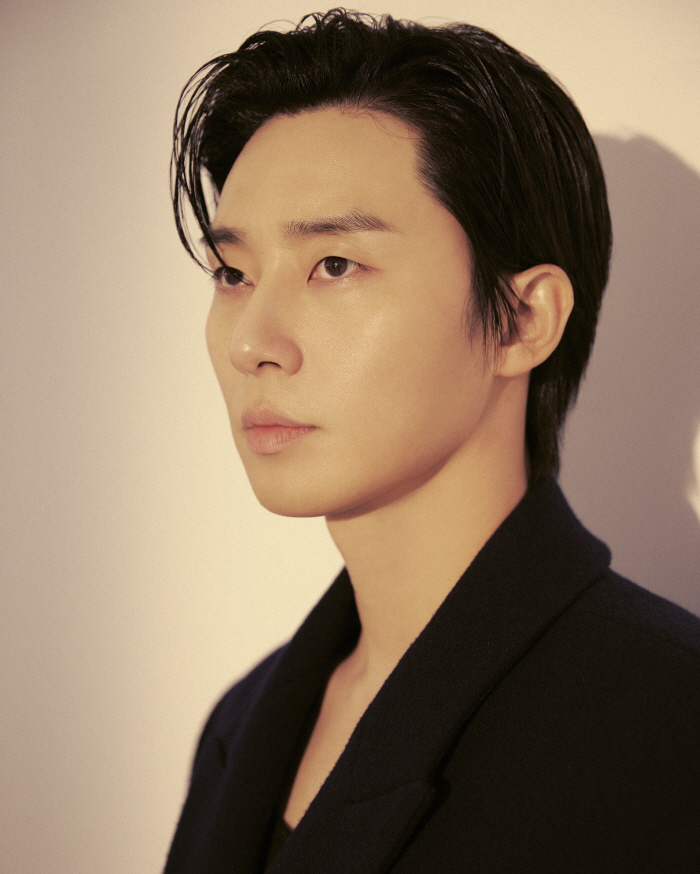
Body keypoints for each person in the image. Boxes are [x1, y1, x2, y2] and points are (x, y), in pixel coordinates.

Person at [164, 10, 700, 873]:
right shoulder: (242, 726)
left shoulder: (669, 729)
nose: (252, 341)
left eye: (335, 265)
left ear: (523, 319)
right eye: (233, 273)